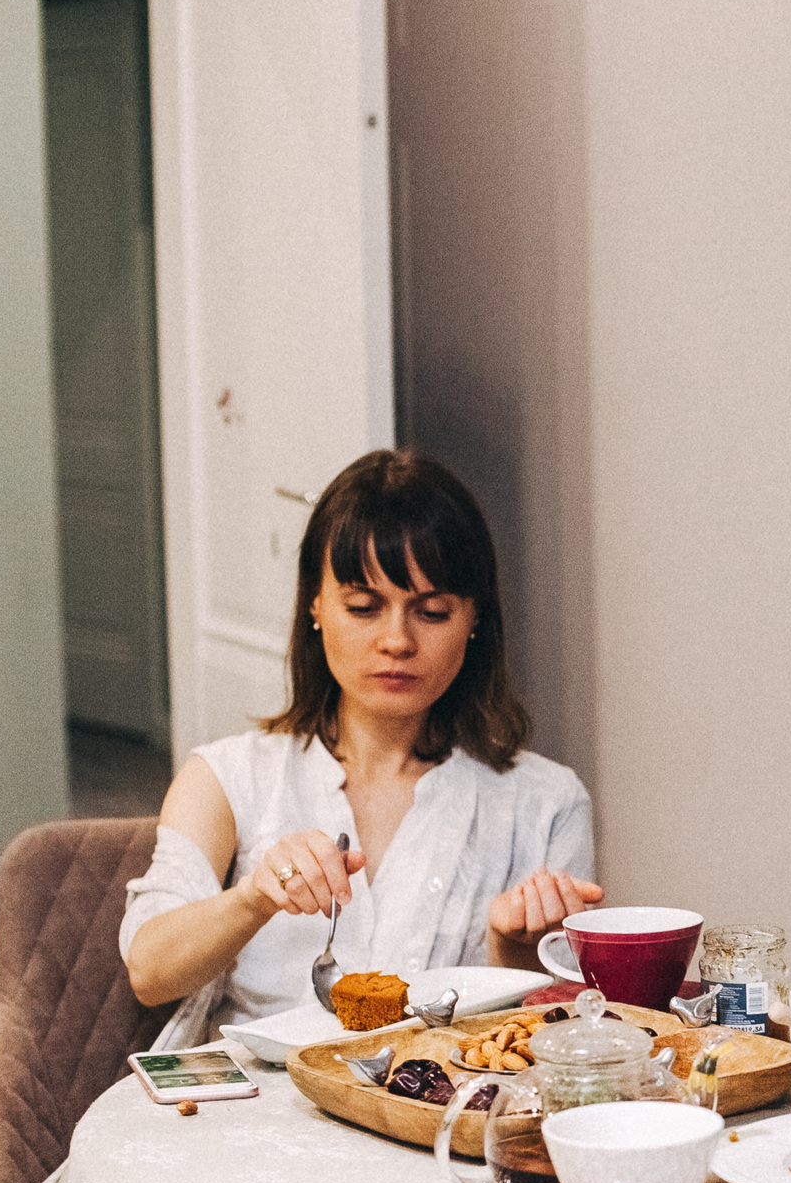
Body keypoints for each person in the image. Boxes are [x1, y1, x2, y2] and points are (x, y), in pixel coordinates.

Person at [123, 448, 602, 1046]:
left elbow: (556, 1034)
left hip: (439, 1113)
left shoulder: (546, 802)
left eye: (431, 611)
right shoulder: (228, 776)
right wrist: (253, 898)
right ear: (315, 607)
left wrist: (509, 949)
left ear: (474, 619)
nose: (397, 640)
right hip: (255, 1115)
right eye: (363, 607)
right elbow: (149, 970)